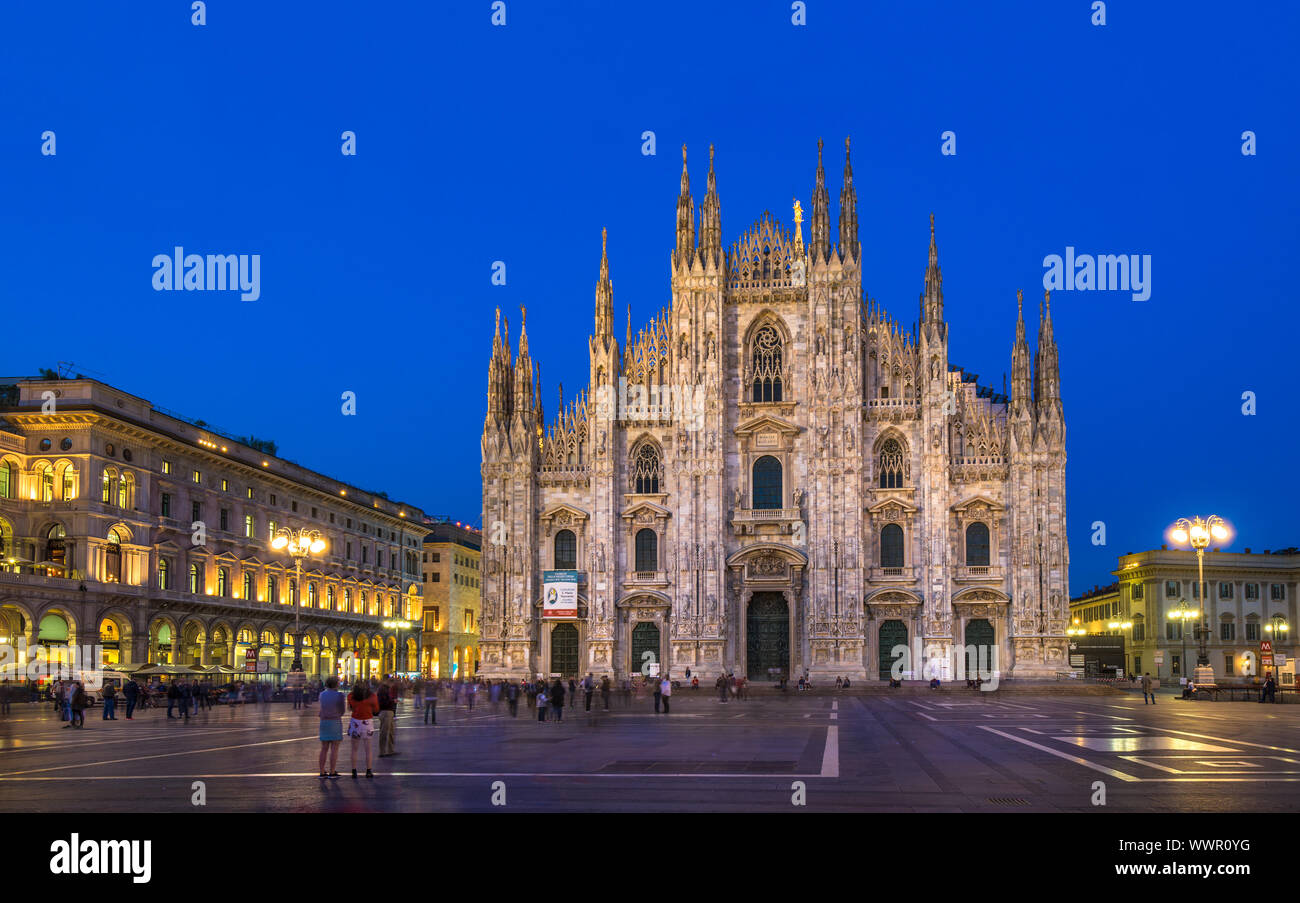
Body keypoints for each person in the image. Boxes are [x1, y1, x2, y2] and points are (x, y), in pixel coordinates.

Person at [347, 681, 379, 778]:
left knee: (354, 749)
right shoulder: (372, 696)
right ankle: (368, 770)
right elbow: (376, 710)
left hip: (355, 721)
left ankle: (354, 771)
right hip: (367, 722)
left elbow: (349, 709)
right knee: (368, 748)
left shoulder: (351, 696)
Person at [318, 676, 346, 777]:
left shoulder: (321, 694)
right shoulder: (340, 695)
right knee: (334, 748)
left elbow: (321, 707)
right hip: (335, 722)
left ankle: (321, 771)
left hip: (324, 722)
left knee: (324, 748)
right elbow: (342, 710)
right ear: (336, 684)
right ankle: (332, 771)